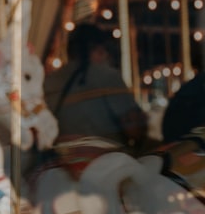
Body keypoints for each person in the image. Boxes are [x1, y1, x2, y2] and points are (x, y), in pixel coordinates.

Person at [43, 23, 148, 151]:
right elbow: (133, 131)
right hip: (105, 160)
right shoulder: (108, 77)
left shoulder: (49, 81)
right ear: (99, 50)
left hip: (61, 160)